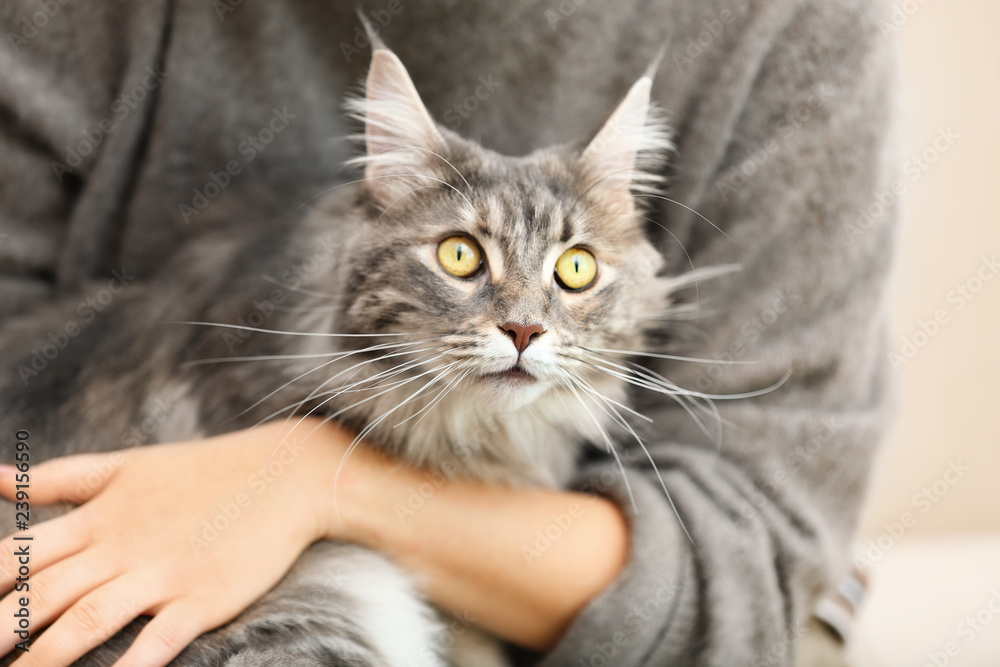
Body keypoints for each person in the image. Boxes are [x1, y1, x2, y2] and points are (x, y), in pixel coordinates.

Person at [0, 0, 896, 664]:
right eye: (466, 261)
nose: (522, 322)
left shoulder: (796, 29)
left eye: (571, 273)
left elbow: (761, 578)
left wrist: (321, 483)